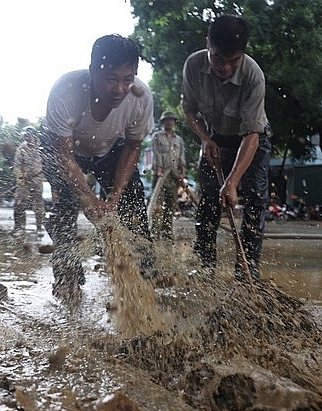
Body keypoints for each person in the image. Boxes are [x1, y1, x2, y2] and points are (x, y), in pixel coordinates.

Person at [41, 34, 154, 300]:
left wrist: (114, 197)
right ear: (93, 71)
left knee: (132, 202)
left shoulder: (140, 97)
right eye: (111, 79)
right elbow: (64, 155)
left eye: (128, 79)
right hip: (65, 150)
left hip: (110, 146)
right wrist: (88, 197)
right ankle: (67, 280)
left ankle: (145, 276)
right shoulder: (66, 90)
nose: (119, 89)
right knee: (65, 209)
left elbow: (132, 147)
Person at [181, 15, 271, 283]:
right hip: (215, 137)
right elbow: (189, 111)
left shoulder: (254, 76)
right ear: (208, 44)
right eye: (219, 59)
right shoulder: (193, 66)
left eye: (234, 61)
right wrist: (205, 138)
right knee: (209, 198)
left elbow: (252, 135)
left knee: (255, 199)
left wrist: (232, 181)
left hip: (252, 139)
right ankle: (206, 263)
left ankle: (248, 270)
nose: (226, 68)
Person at [151, 111, 187, 240]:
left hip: (174, 175)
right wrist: (159, 169)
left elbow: (181, 157)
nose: (169, 122)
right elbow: (156, 154)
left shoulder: (179, 140)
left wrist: (183, 173)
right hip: (161, 175)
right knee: (157, 205)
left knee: (170, 205)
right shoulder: (157, 136)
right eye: (166, 120)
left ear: (174, 122)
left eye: (171, 120)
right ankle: (154, 232)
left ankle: (167, 231)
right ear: (163, 122)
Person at [13, 126, 45, 236]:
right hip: (24, 179)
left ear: (34, 135)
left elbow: (46, 163)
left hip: (37, 178)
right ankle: (19, 227)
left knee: (38, 204)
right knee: (19, 202)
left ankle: (39, 227)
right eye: (26, 135)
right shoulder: (21, 148)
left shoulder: (41, 147)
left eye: (29, 135)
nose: (28, 137)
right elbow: (17, 166)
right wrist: (20, 177)